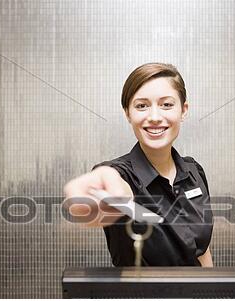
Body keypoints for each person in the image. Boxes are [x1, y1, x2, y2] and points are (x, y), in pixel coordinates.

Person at [63, 63, 213, 267]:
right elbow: (110, 183)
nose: (154, 117)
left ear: (183, 110)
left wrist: (213, 294)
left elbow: (202, 251)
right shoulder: (120, 174)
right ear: (128, 113)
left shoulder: (195, 171)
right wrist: (93, 194)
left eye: (166, 105)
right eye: (141, 106)